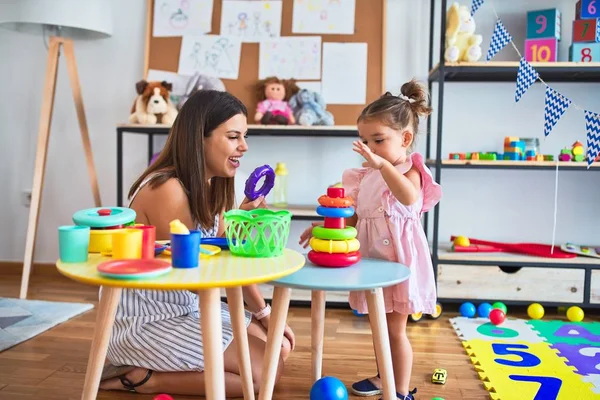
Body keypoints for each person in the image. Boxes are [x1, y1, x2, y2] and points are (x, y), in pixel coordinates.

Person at [99, 90, 295, 397]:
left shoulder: (211, 183)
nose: (244, 147)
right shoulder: (168, 189)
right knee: (264, 376)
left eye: (244, 136)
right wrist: (262, 312)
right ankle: (143, 377)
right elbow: (199, 276)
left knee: (279, 348)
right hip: (147, 320)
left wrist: (264, 315)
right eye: (233, 137)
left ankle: (175, 366)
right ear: (199, 138)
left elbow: (219, 253)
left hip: (187, 306)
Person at [300, 79, 442, 400]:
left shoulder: (409, 171)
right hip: (373, 263)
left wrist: (382, 165)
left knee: (395, 331)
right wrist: (323, 228)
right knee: (379, 328)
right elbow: (350, 215)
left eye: (378, 140)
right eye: (364, 140)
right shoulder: (364, 177)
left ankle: (401, 391)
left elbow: (408, 199)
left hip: (402, 264)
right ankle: (384, 377)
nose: (370, 149)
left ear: (405, 138)